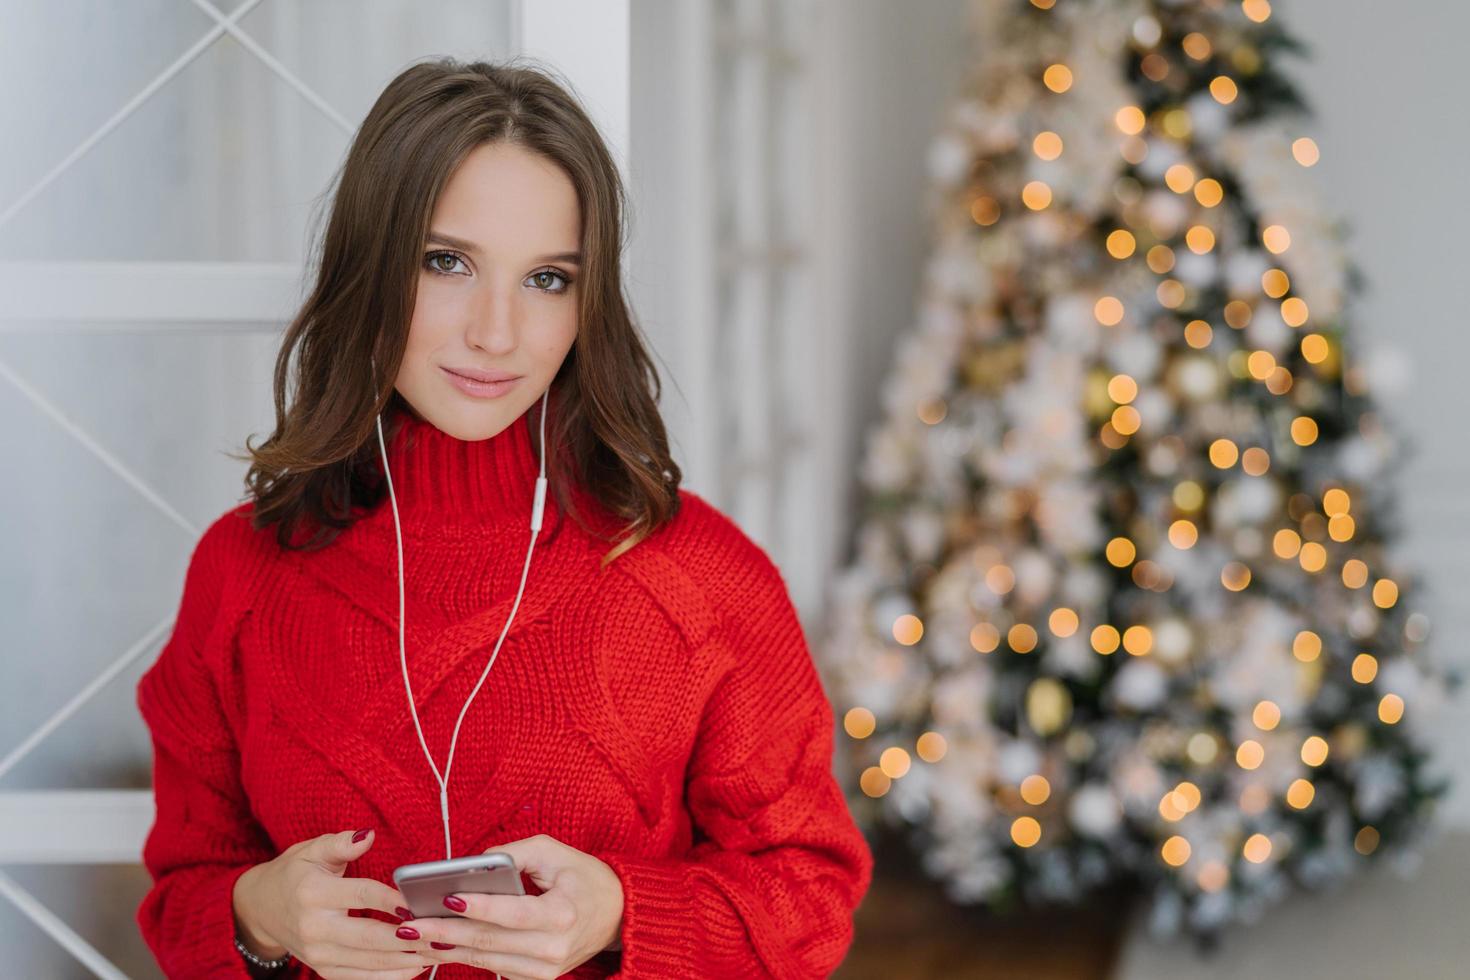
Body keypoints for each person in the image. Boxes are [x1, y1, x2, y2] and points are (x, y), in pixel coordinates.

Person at [133, 57, 873, 979]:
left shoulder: (702, 578)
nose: (496, 332)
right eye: (447, 262)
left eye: (548, 279)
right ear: (370, 267)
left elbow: (809, 895)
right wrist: (260, 915)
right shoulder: (243, 572)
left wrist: (618, 914)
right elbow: (181, 891)